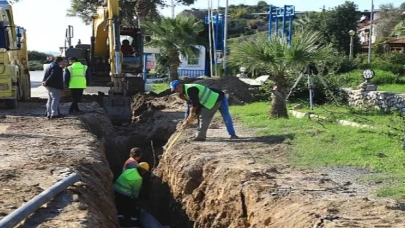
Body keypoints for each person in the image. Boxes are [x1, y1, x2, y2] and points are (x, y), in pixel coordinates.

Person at [171, 80, 239, 141]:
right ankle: (200, 134)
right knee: (201, 115)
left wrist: (192, 115)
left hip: (217, 99)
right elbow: (190, 107)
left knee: (205, 116)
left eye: (176, 89)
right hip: (213, 99)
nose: (176, 91)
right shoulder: (185, 93)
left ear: (179, 86)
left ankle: (201, 136)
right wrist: (187, 120)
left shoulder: (190, 89)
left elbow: (195, 104)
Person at [114, 162, 150, 227]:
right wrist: (136, 200)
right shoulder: (138, 178)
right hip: (125, 195)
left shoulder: (129, 170)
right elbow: (135, 192)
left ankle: (120, 219)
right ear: (143, 171)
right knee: (132, 209)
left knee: (120, 207)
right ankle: (132, 223)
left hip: (115, 190)